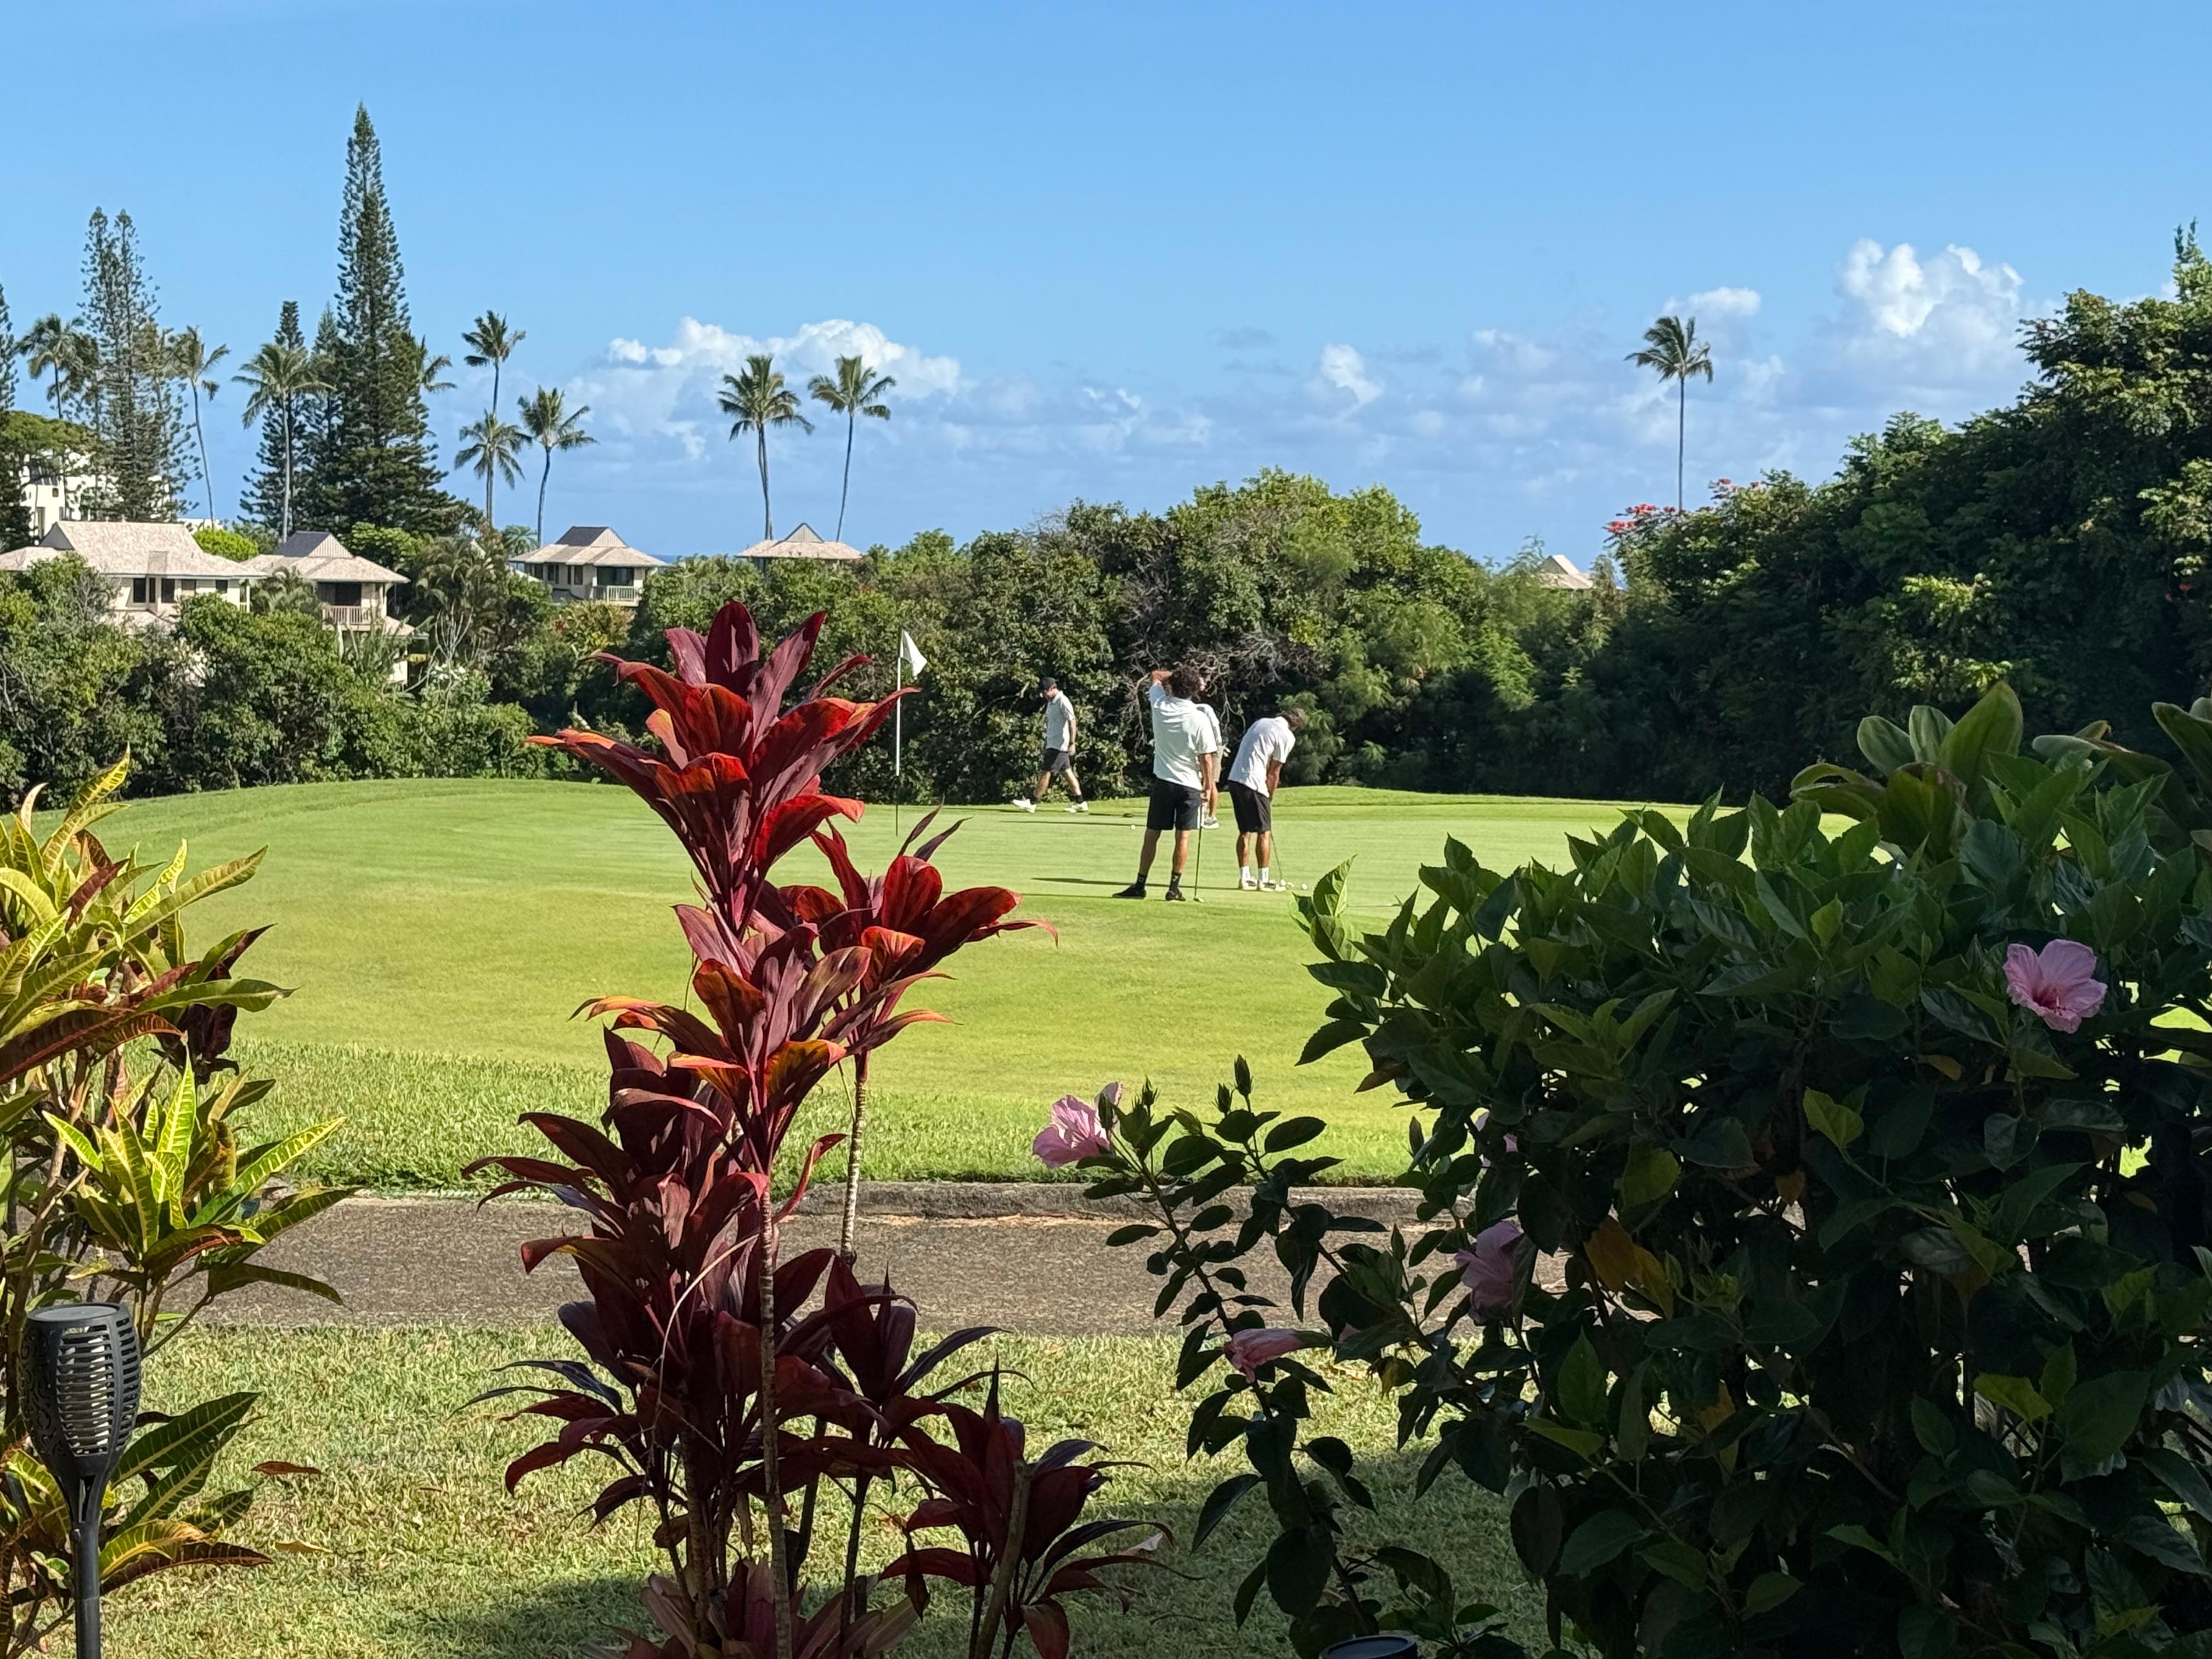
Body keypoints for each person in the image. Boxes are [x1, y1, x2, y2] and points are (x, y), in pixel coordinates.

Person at [1114, 665, 1215, 901]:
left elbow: (1156, 676)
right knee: (1183, 837)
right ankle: (1174, 887)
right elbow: (1206, 759)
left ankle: (1140, 884)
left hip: (1164, 783)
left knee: (1153, 834)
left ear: (1175, 686)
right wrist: (1209, 787)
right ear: (1194, 691)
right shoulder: (1200, 719)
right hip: (1190, 786)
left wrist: (1179, 677)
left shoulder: (1160, 705)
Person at [1225, 704, 1306, 889]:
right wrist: (1269, 795)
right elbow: (1274, 772)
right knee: (1264, 831)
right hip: (1254, 782)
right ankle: (1264, 880)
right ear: (1296, 726)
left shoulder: (1261, 723)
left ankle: (1245, 878)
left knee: (1245, 831)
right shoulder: (1287, 736)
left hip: (1235, 779)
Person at [1013, 678, 1088, 813]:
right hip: (1053, 744)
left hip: (1059, 746)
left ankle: (1033, 802)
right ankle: (1080, 801)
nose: (1043, 695)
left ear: (1052, 689)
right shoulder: (1051, 703)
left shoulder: (1063, 701)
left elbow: (1072, 721)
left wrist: (1072, 743)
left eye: (1044, 692)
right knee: (1067, 772)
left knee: (1045, 772)